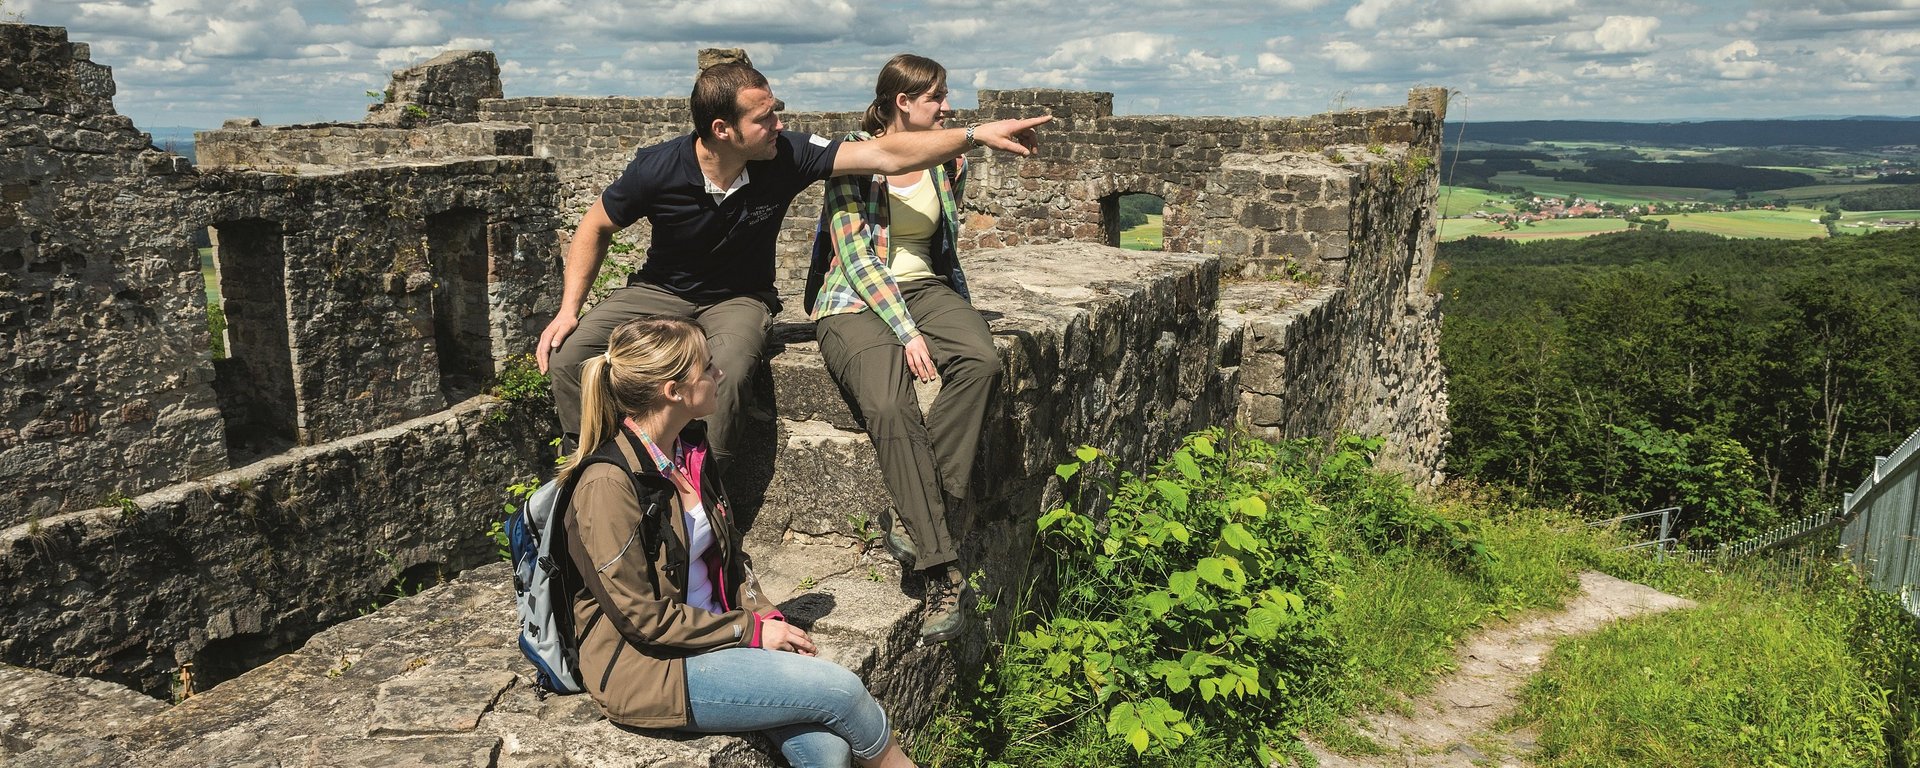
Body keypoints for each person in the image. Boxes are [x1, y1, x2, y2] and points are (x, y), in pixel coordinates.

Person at [537, 61, 1048, 469]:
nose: (779, 124)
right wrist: (568, 310)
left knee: (729, 376)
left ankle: (703, 500)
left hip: (738, 297)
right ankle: (588, 471)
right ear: (723, 130)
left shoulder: (788, 154)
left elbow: (889, 155)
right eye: (765, 118)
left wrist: (975, 134)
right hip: (661, 290)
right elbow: (594, 227)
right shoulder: (658, 169)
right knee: (568, 358)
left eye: (776, 111)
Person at [561, 316, 919, 768]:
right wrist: (749, 631)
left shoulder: (686, 448)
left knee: (828, 751)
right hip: (653, 667)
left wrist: (763, 612)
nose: (719, 375)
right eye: (707, 368)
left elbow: (730, 553)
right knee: (843, 692)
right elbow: (641, 618)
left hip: (715, 636)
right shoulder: (607, 485)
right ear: (673, 391)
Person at [804, 54, 1000, 644]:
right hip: (854, 299)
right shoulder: (853, 159)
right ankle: (942, 570)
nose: (946, 106)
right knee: (891, 405)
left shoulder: (948, 160)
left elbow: (938, 244)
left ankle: (917, 515)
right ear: (901, 102)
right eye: (936, 96)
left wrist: (930, 315)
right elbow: (859, 256)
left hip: (926, 288)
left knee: (982, 361)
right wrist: (907, 333)